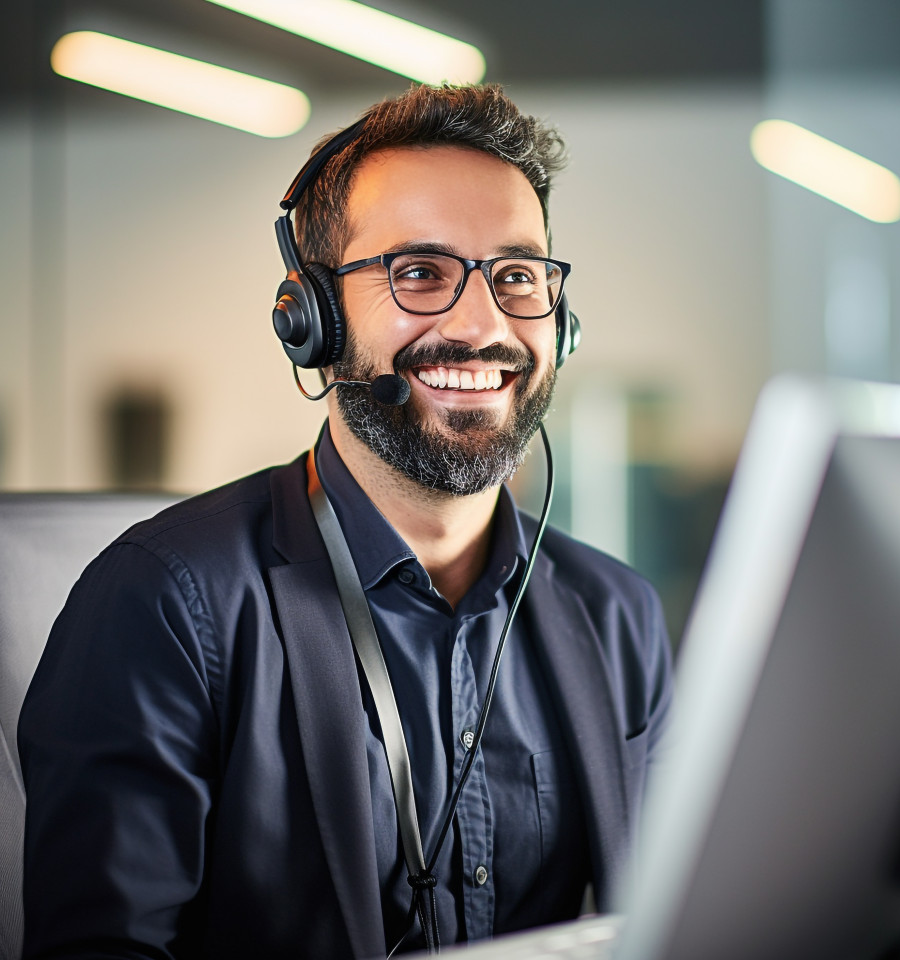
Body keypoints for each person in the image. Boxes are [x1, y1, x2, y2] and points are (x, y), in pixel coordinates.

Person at [18, 83, 672, 959]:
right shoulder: (167, 606)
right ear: (312, 320)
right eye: (420, 274)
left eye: (516, 276)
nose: (482, 325)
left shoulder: (617, 616)